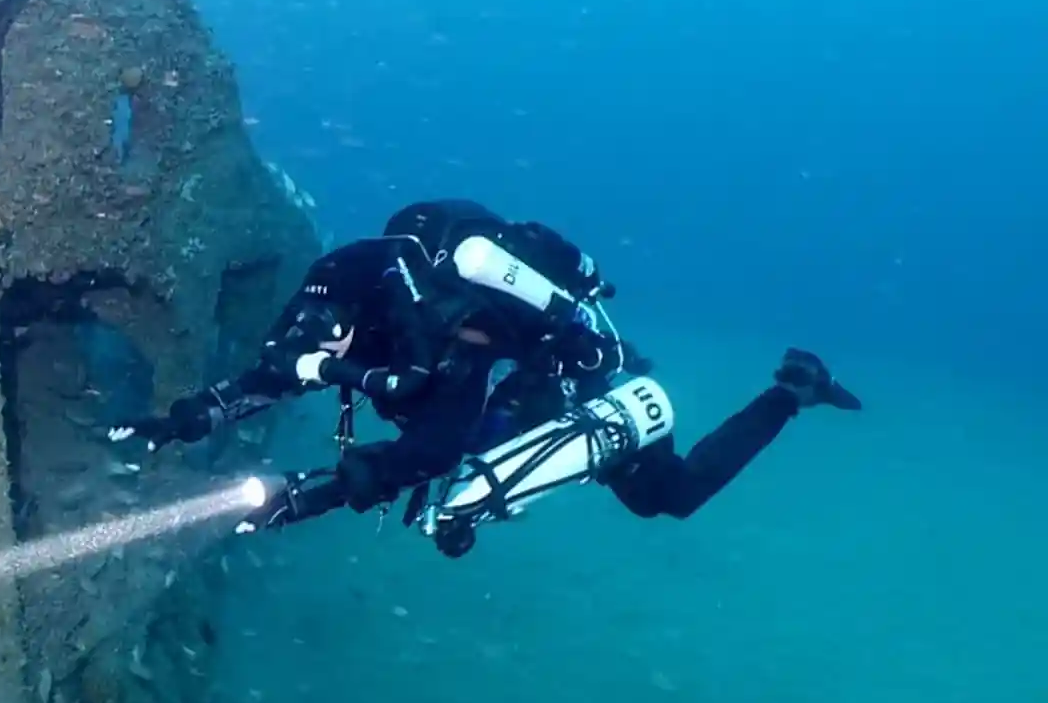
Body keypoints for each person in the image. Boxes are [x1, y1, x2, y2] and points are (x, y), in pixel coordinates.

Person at [109, 198, 859, 557]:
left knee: (670, 497)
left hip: (570, 364)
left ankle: (792, 390)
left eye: (332, 348)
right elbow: (280, 373)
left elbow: (433, 446)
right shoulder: (338, 290)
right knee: (471, 447)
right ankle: (794, 389)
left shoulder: (439, 323)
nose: (328, 356)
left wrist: (307, 497)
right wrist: (185, 418)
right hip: (516, 362)